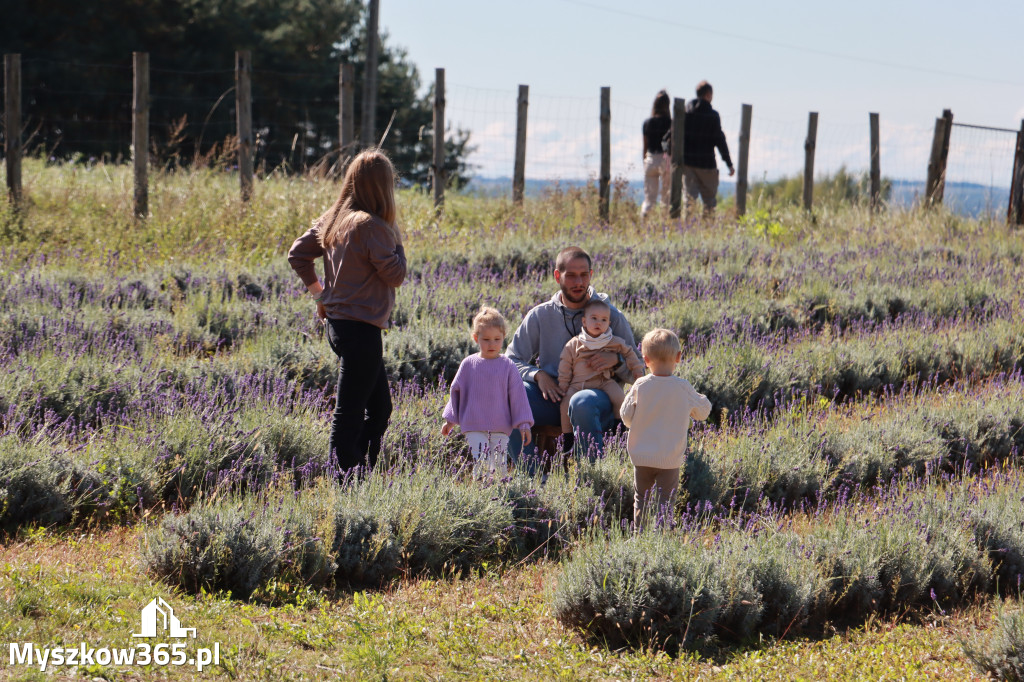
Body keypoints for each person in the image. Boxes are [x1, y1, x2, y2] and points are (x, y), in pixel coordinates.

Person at [287, 150, 407, 478]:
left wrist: (320, 295)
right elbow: (395, 275)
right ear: (383, 187)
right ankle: (344, 483)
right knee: (350, 412)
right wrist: (396, 236)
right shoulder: (375, 226)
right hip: (362, 331)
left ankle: (360, 471)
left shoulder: (335, 219)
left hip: (340, 328)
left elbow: (297, 254)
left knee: (379, 408)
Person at [506, 246, 635, 465]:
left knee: (581, 401)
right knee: (506, 395)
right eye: (571, 275)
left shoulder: (611, 315)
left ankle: (591, 481)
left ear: (591, 275)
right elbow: (510, 360)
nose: (579, 282)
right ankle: (530, 479)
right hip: (552, 397)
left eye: (584, 275)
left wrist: (616, 362)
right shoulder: (541, 315)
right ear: (557, 276)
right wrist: (538, 375)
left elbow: (637, 370)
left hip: (596, 399)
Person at [621, 328, 711, 530]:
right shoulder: (682, 387)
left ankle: (640, 537)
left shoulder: (640, 385)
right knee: (666, 502)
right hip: (670, 458)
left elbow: (626, 416)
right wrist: (702, 399)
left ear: (645, 360)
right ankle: (661, 539)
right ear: (678, 357)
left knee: (641, 498)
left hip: (641, 456)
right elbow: (703, 412)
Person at [441, 307, 533, 478]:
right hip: (474, 425)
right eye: (486, 339)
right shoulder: (469, 364)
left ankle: (500, 499)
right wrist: (450, 420)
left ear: (504, 338)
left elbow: (518, 396)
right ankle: (482, 495)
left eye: (497, 339)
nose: (492, 344)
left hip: (500, 426)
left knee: (499, 466)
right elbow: (456, 393)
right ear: (476, 338)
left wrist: (524, 424)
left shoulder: (508, 366)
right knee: (482, 461)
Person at [557, 299, 645, 434]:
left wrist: (637, 371)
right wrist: (563, 384)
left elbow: (630, 354)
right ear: (584, 321)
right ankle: (567, 436)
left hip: (603, 381)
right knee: (565, 405)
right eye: (594, 318)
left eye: (604, 320)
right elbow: (565, 364)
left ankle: (619, 427)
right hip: (577, 384)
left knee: (619, 397)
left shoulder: (613, 341)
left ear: (609, 323)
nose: (599, 322)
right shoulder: (574, 343)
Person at [682, 80, 734, 219]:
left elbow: (673, 134)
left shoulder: (685, 113)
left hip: (688, 164)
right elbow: (720, 141)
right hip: (707, 165)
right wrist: (729, 163)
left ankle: (687, 230)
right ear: (708, 94)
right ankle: (708, 230)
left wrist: (668, 154)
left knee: (689, 201)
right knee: (709, 202)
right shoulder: (713, 116)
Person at [641, 89, 673, 218]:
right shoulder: (671, 123)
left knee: (649, 199)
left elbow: (645, 146)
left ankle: (644, 222)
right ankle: (664, 225)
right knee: (666, 198)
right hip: (665, 159)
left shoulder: (647, 123)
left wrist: (644, 161)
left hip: (650, 159)